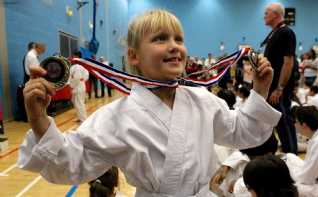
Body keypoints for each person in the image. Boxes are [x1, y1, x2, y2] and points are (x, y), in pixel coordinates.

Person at [17, 9, 281, 196]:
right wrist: (39, 120)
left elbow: (244, 133)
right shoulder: (116, 117)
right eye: (160, 39)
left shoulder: (202, 100)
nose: (174, 46)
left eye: (178, 39)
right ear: (133, 56)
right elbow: (69, 165)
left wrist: (260, 90)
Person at [262, 2, 298, 153]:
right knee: (276, 122)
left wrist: (280, 88)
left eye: (266, 13)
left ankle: (292, 155)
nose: (263, 16)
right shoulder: (274, 33)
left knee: (284, 121)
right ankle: (281, 150)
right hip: (272, 86)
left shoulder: (286, 32)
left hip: (279, 88)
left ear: (276, 14)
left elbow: (288, 62)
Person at [68, 51, 89, 122]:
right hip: (80, 87)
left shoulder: (76, 67)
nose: (72, 58)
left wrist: (71, 86)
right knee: (77, 103)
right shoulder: (81, 66)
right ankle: (80, 117)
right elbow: (86, 75)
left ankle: (83, 120)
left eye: (74, 56)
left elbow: (76, 78)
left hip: (77, 88)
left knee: (79, 104)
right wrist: (83, 79)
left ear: (77, 57)